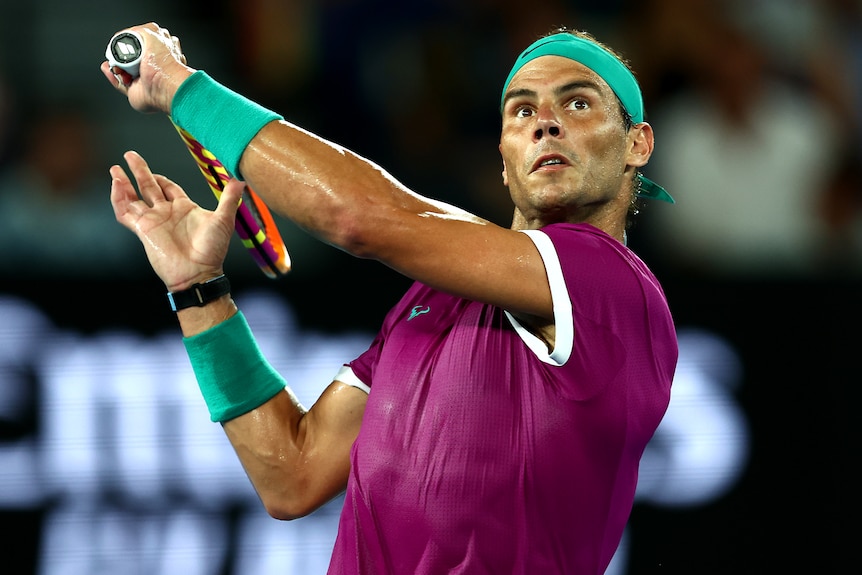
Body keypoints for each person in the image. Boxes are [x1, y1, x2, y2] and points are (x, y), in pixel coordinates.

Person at [102, 23, 678, 575]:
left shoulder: (610, 285)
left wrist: (179, 86)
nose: (545, 124)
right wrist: (198, 289)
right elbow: (293, 475)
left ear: (637, 144)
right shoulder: (431, 300)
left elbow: (361, 216)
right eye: (522, 110)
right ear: (503, 161)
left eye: (578, 104)